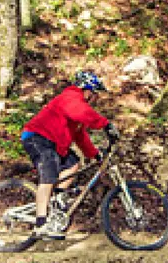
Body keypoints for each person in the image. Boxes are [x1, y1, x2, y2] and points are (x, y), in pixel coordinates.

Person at [21, 70, 118, 240]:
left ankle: (57, 200)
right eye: (95, 94)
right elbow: (81, 112)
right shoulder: (71, 97)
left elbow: (80, 136)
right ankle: (41, 224)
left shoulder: (76, 106)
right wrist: (105, 124)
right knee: (49, 175)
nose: (96, 99)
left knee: (72, 164)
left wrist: (94, 155)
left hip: (54, 144)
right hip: (38, 137)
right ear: (88, 90)